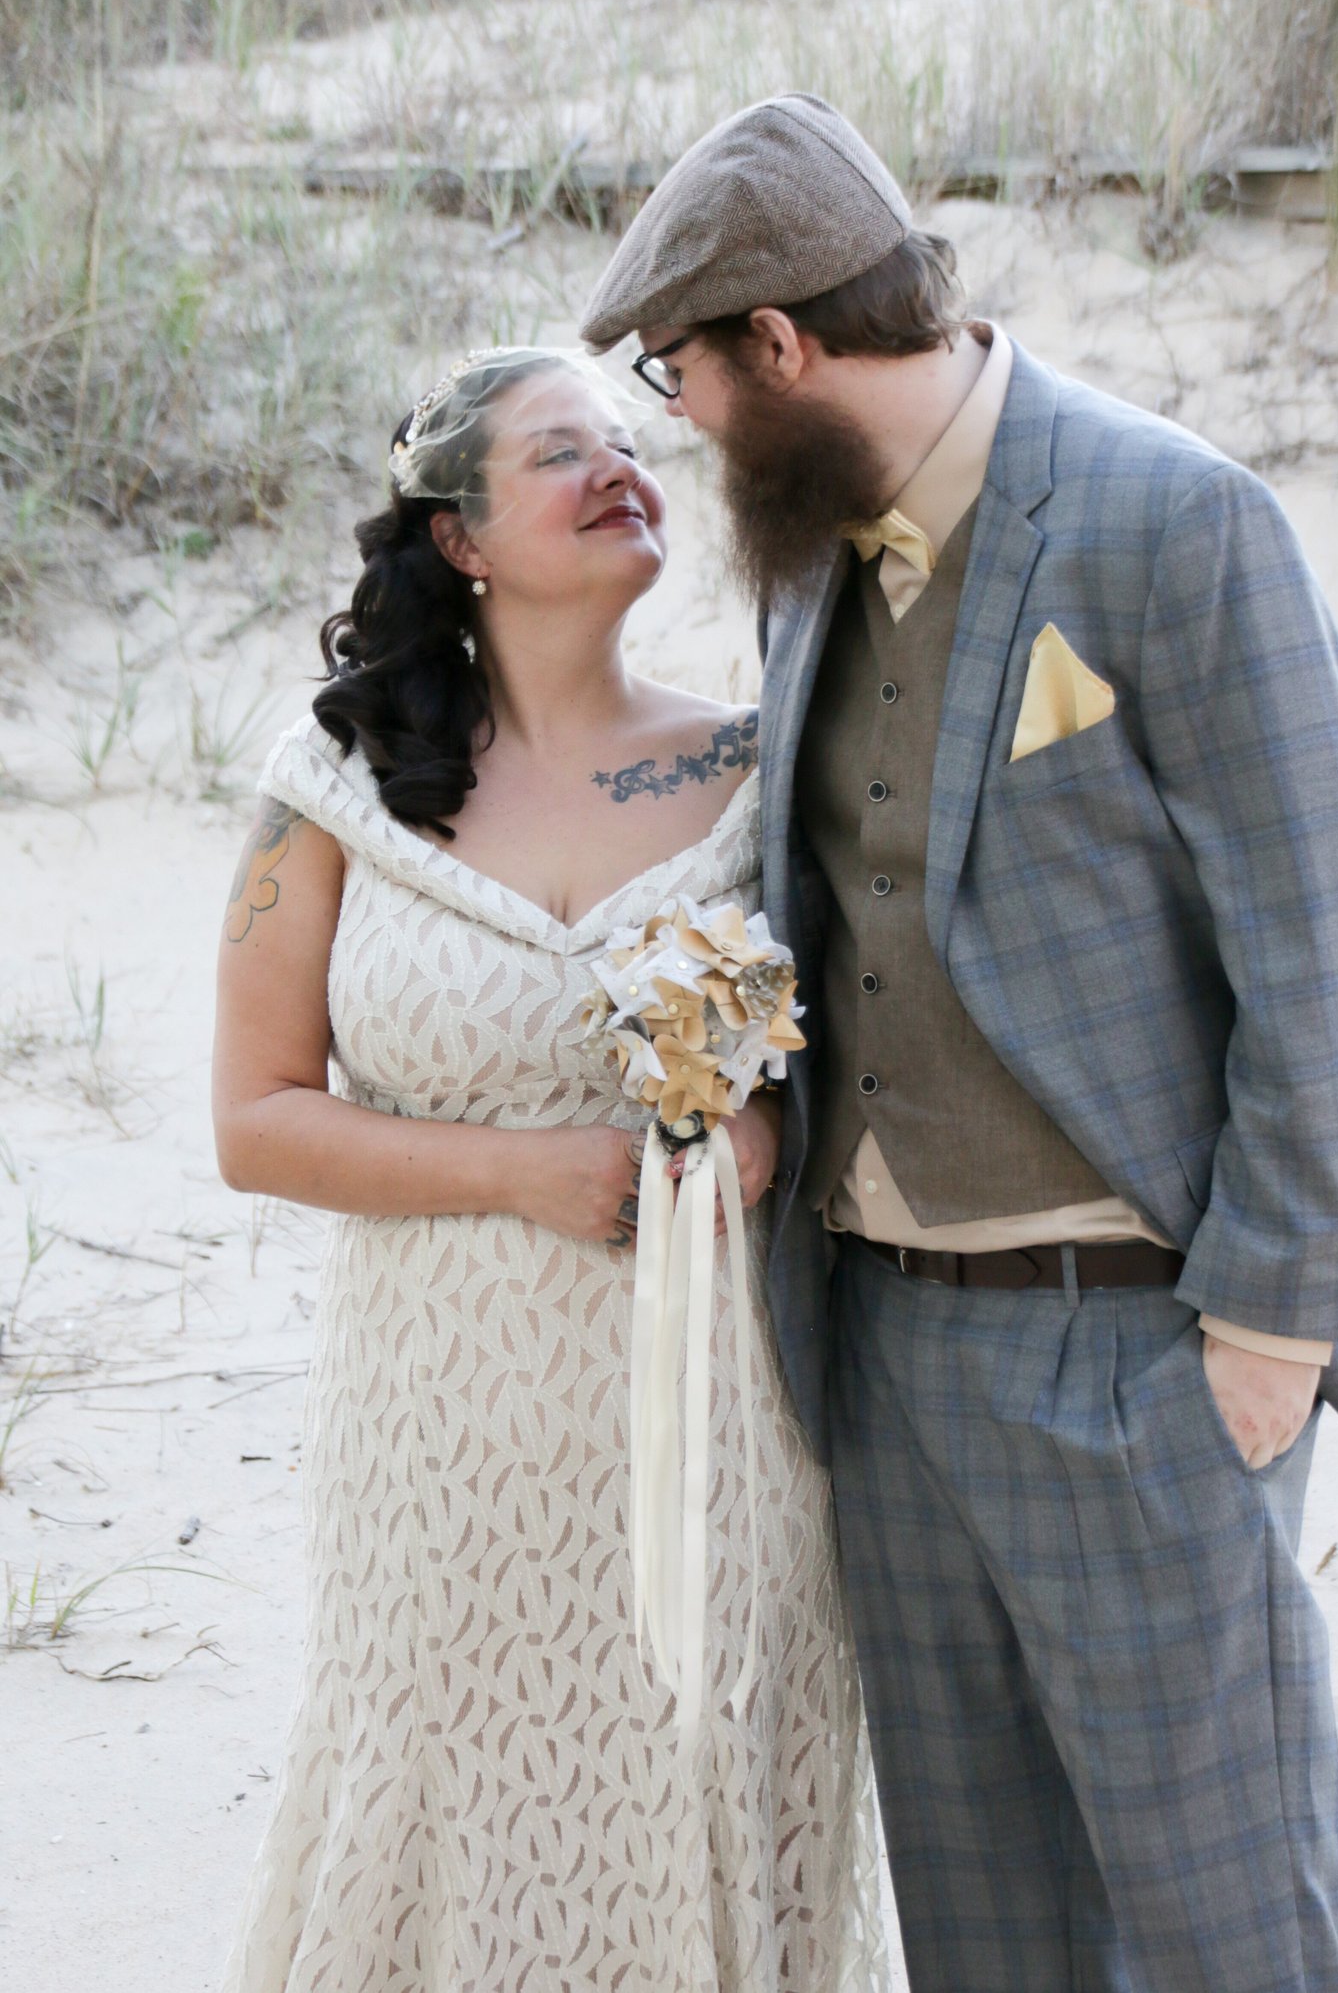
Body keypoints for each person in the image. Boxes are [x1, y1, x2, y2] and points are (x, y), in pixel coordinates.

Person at [580, 95, 1338, 1993]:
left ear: (783, 347)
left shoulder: (1175, 520)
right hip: (889, 1360)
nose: (683, 418)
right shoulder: (810, 550)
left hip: (1147, 1356)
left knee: (1221, 1934)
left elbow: (1330, 933)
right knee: (988, 1945)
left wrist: (1270, 1336)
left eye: (684, 371)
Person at [212, 346, 886, 1993]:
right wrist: (523, 1172)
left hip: (712, 1425)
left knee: (694, 1770)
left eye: (636, 446)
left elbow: (856, 1065)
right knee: (446, 1789)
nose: (620, 471)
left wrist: (763, 1131)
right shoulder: (337, 798)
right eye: (560, 454)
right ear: (462, 540)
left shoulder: (752, 764)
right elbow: (255, 1119)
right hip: (444, 1439)